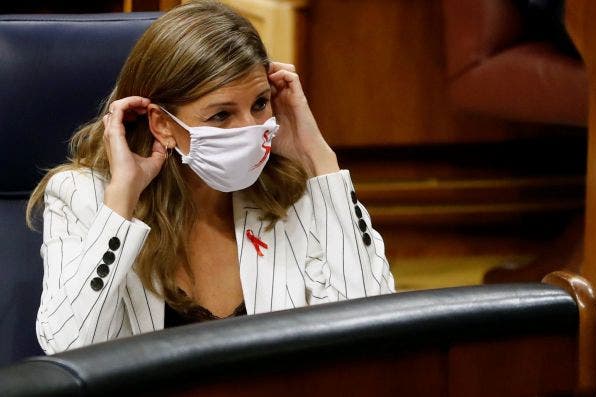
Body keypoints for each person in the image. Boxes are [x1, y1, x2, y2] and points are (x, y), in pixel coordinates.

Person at [26, 0, 395, 355]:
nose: (250, 130)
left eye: (260, 104)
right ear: (162, 124)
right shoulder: (85, 196)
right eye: (221, 115)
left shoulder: (293, 193)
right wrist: (121, 201)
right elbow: (69, 349)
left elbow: (371, 331)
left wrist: (320, 159)